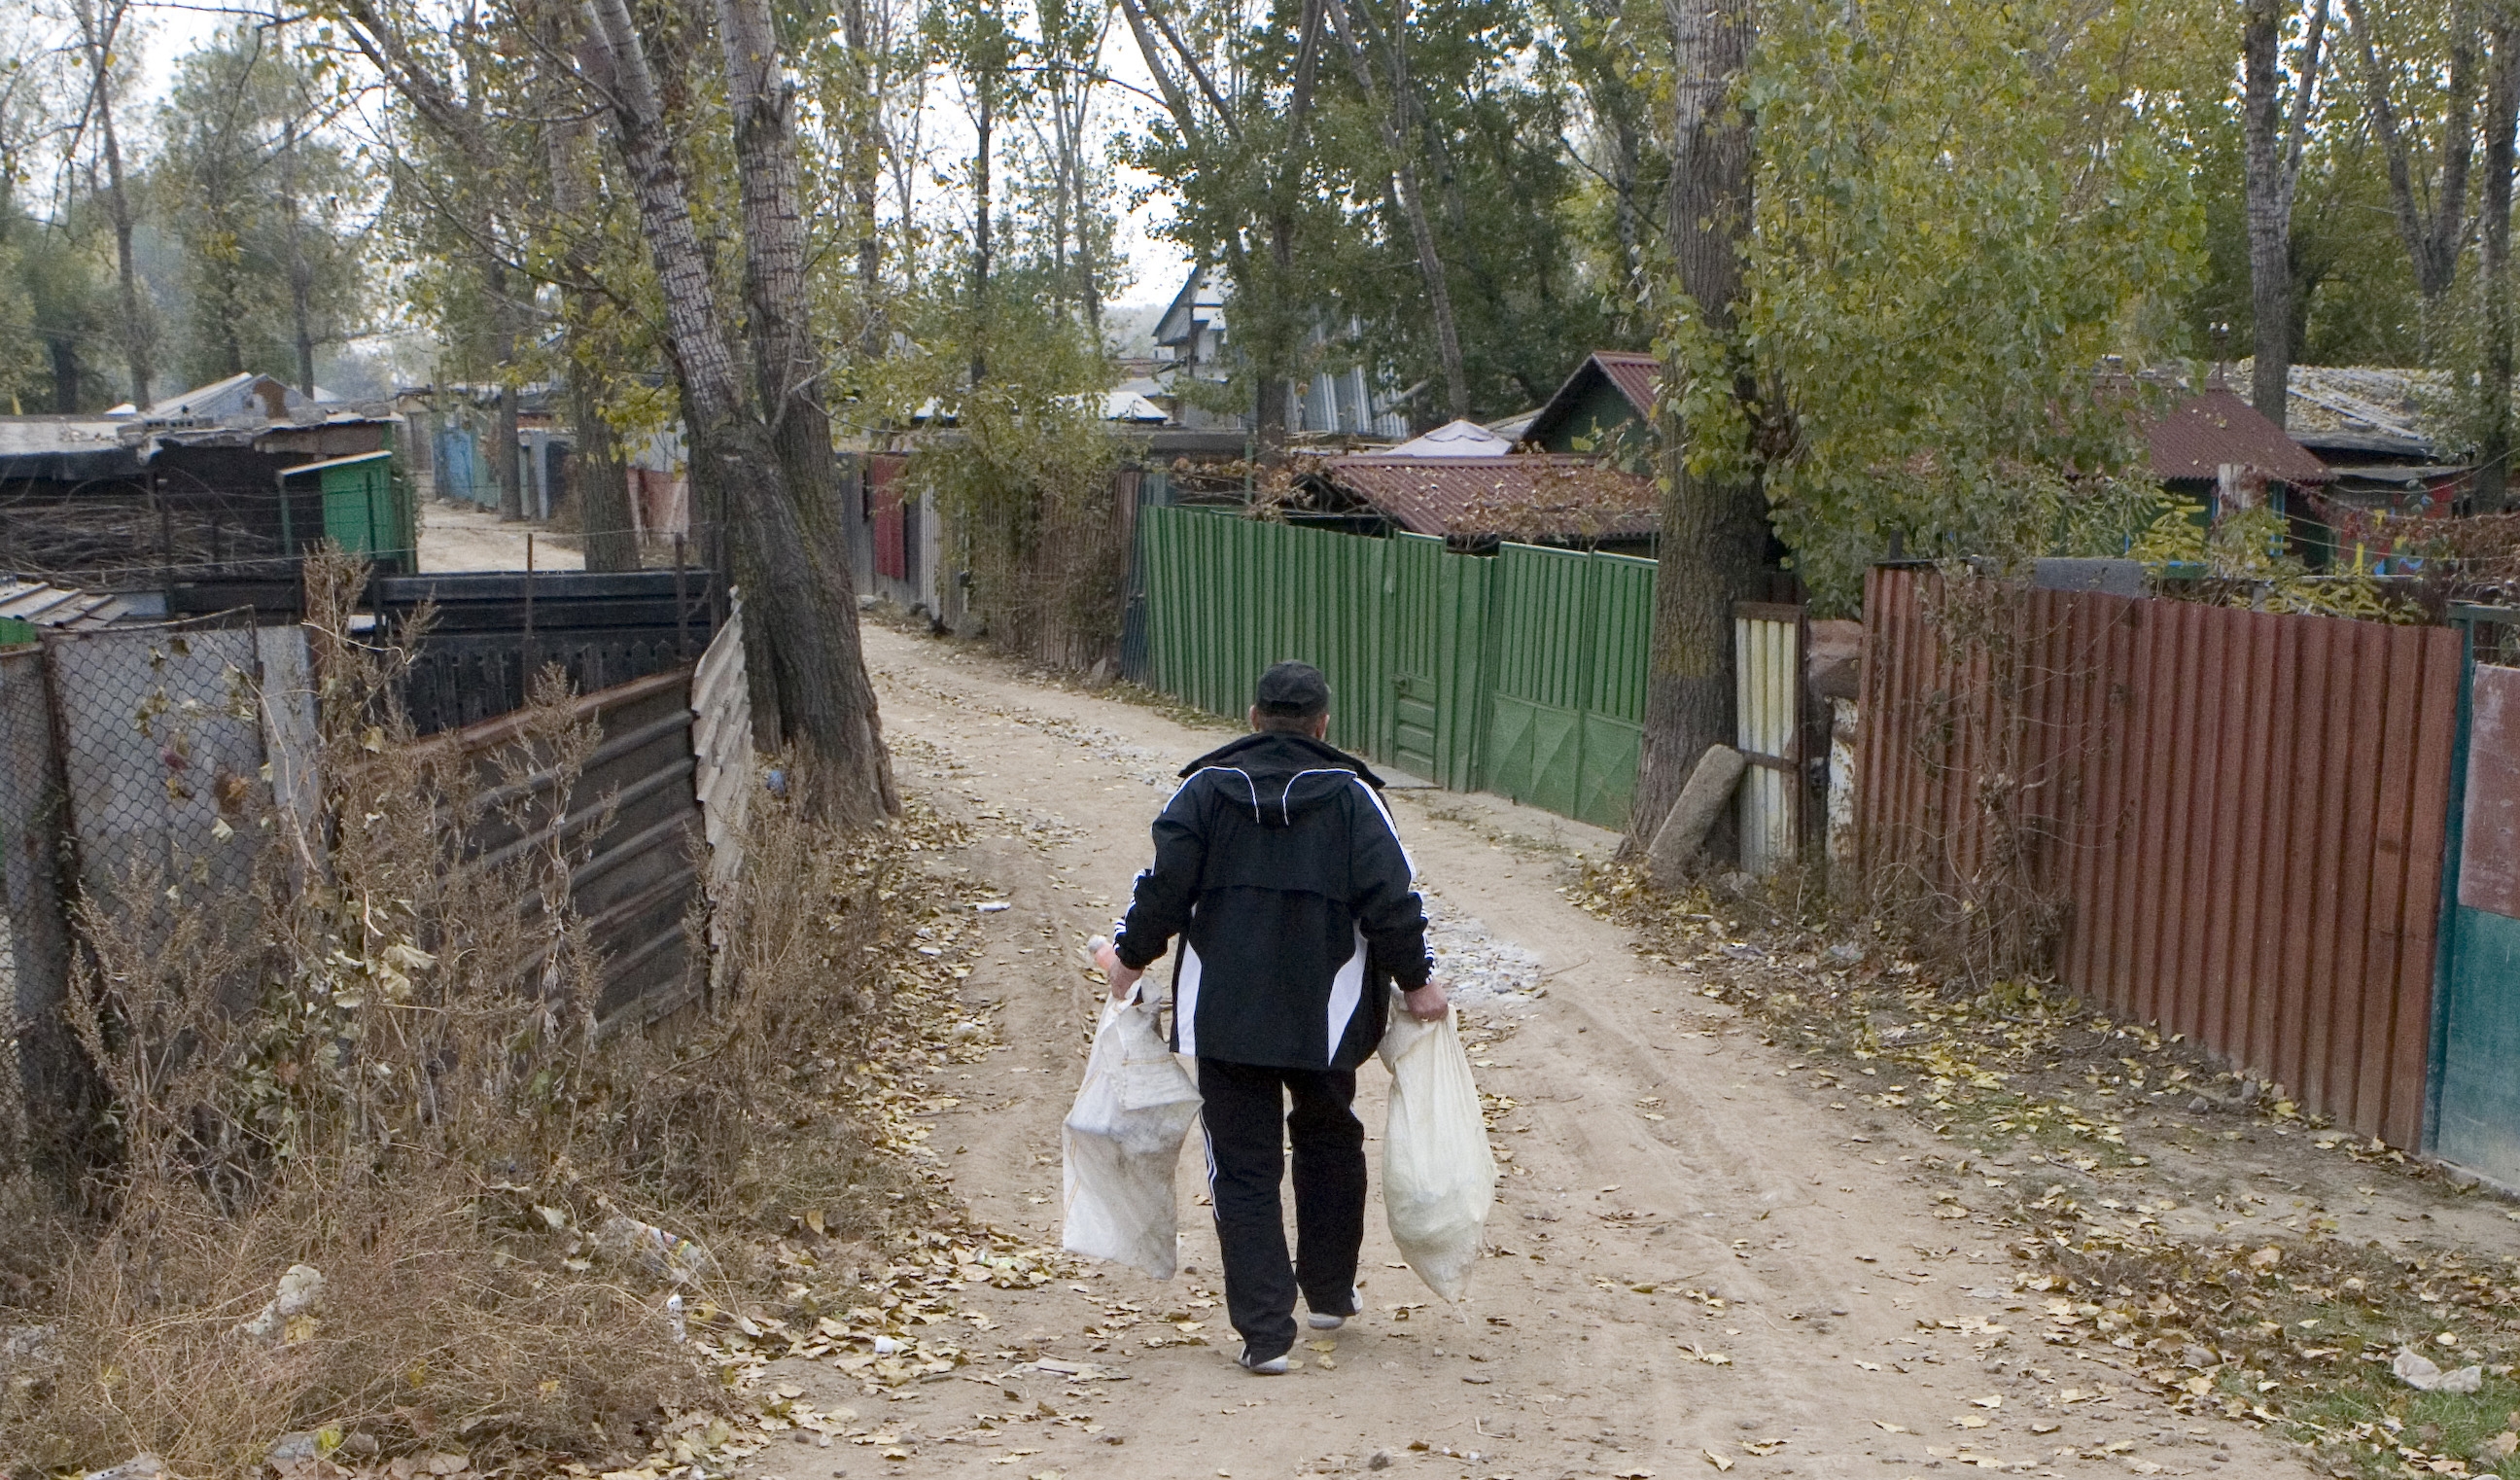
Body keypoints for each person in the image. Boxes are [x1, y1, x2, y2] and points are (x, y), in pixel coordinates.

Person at [1094, 659, 1448, 1375]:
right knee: (1329, 1139)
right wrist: (1417, 981)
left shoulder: (1203, 791)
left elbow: (1161, 887)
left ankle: (1263, 1333)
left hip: (1226, 1017)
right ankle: (1328, 1291)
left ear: (1253, 718)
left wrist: (1128, 961)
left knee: (1244, 1166)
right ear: (1323, 724)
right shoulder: (1354, 799)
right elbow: (1393, 897)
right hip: (1329, 1013)